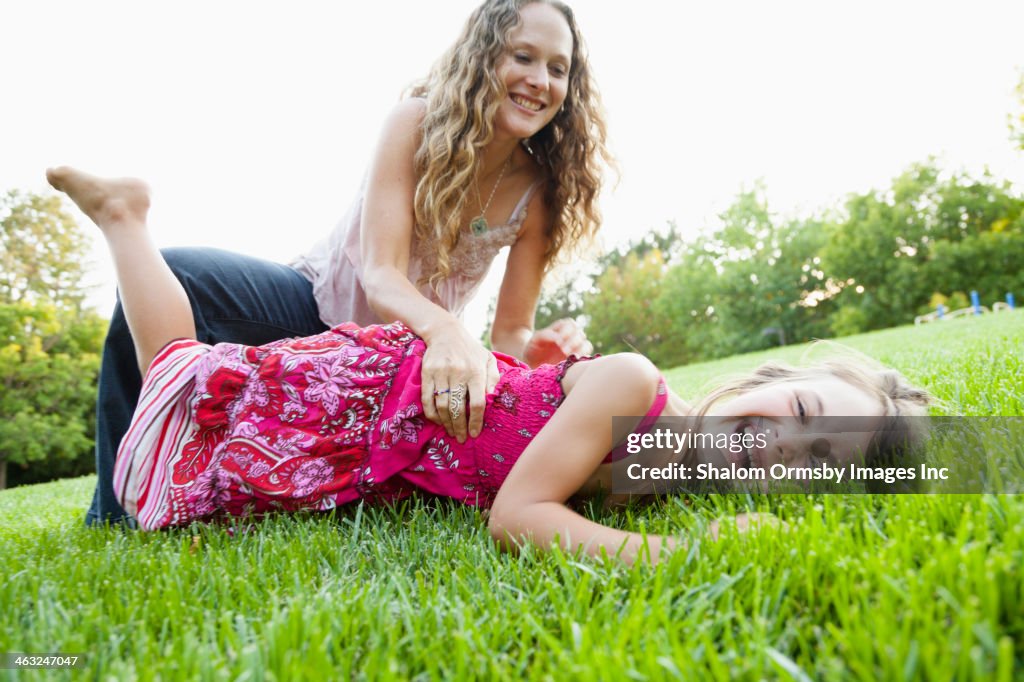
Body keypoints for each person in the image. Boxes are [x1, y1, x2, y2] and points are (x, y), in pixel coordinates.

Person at [49, 167, 931, 563]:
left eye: (820, 465)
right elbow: (521, 515)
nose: (788, 449)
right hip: (379, 398)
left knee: (211, 452)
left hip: (395, 454)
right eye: (807, 418)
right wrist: (680, 554)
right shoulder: (634, 383)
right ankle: (127, 216)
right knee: (186, 377)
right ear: (770, 382)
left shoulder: (671, 465)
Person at [86, 0, 612, 526]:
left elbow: (511, 333)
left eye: (557, 68)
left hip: (393, 361)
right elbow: (380, 274)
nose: (539, 80)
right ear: (482, 58)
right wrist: (447, 331)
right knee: (173, 275)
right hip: (314, 306)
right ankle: (116, 513)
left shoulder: (538, 190)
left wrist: (535, 349)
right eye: (523, 57)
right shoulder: (415, 123)